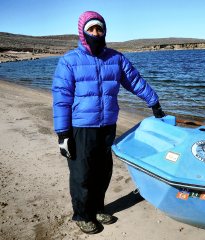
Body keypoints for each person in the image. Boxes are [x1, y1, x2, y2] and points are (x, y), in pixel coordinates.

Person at [52, 11, 165, 234]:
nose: (96, 33)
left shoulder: (116, 58)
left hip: (107, 126)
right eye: (91, 29)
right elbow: (61, 98)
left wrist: (154, 102)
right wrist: (63, 134)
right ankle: (82, 214)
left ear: (104, 31)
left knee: (103, 171)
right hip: (81, 128)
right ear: (82, 32)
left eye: (99, 29)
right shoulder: (69, 61)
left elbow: (135, 81)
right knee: (82, 173)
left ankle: (96, 208)